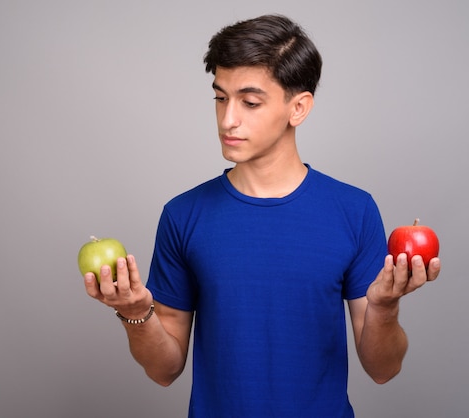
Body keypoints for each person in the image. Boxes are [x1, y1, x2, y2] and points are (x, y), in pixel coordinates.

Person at [83, 14, 441, 417]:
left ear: (299, 107)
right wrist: (135, 314)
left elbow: (383, 369)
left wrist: (385, 308)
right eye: (220, 98)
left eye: (250, 102)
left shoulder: (354, 211)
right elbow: (164, 370)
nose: (228, 119)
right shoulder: (183, 215)